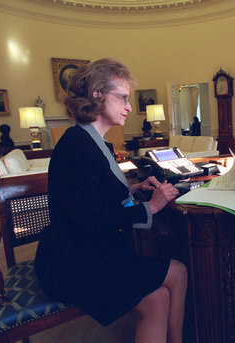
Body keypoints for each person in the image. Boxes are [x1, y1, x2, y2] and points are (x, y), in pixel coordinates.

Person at [35, 58, 187, 343]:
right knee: (172, 278)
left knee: (163, 291)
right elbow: (86, 220)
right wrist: (151, 206)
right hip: (73, 262)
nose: (129, 107)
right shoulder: (77, 145)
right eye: (123, 98)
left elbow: (94, 198)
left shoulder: (92, 140)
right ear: (97, 94)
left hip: (88, 252)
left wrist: (132, 190)